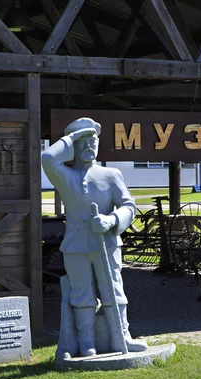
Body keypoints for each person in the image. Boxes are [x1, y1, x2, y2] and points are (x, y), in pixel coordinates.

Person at [42, 117, 148, 358]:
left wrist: (112, 220)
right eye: (83, 141)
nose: (89, 145)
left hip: (107, 242)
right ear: (73, 147)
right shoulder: (64, 176)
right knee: (82, 294)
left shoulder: (111, 174)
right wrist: (70, 138)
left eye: (93, 140)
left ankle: (122, 336)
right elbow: (48, 158)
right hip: (76, 244)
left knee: (113, 291)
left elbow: (128, 206)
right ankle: (86, 342)